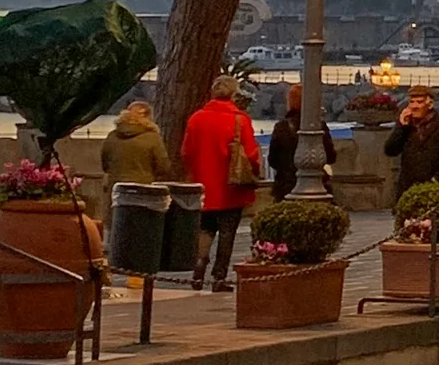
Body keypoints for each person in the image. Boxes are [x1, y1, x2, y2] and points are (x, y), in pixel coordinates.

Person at [180, 77, 262, 290]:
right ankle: (219, 277)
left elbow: (186, 152)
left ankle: (198, 270)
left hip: (203, 186)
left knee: (205, 230)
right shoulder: (239, 120)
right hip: (230, 187)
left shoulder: (196, 119)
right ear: (234, 94)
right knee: (227, 232)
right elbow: (252, 154)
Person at [385, 86, 439, 197]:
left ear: (429, 104)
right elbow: (390, 150)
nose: (414, 106)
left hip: (435, 190)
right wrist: (401, 127)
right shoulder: (406, 127)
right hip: (407, 190)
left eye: (419, 102)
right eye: (412, 102)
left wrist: (437, 178)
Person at [267, 85, 341, 200]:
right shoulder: (319, 126)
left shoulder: (281, 127)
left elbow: (273, 160)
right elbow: (331, 157)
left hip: (285, 183)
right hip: (317, 184)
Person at [102, 102, 173, 185]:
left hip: (116, 186)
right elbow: (163, 167)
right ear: (148, 117)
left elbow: (105, 164)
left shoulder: (112, 136)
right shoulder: (152, 137)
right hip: (142, 186)